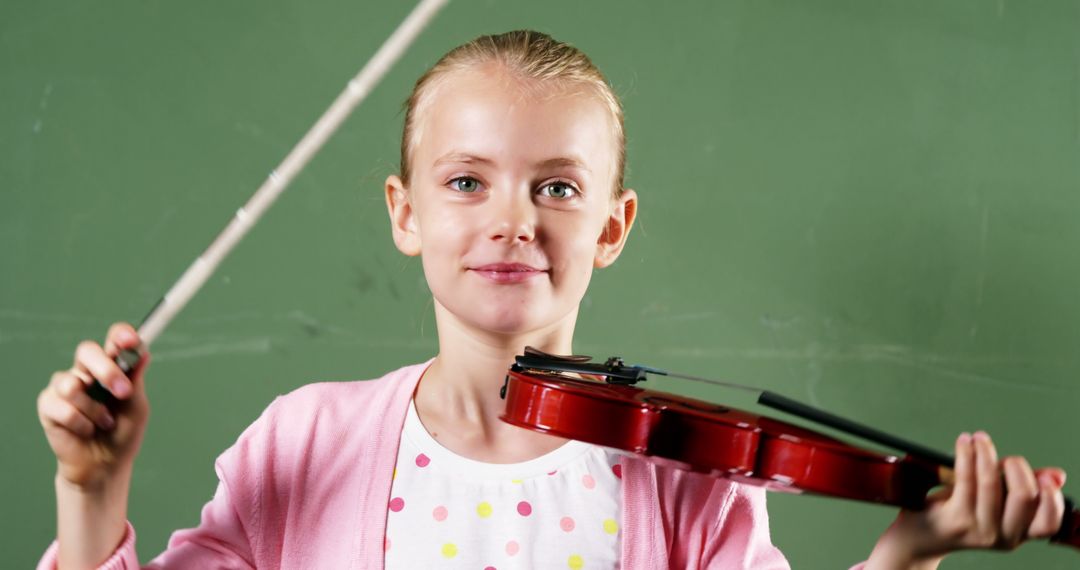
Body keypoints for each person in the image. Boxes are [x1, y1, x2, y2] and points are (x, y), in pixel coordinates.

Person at [36, 30, 1066, 570]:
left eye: (559, 187)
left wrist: (908, 553)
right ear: (405, 212)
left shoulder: (686, 480)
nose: (513, 220)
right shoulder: (302, 443)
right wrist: (93, 489)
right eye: (466, 180)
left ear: (611, 227)